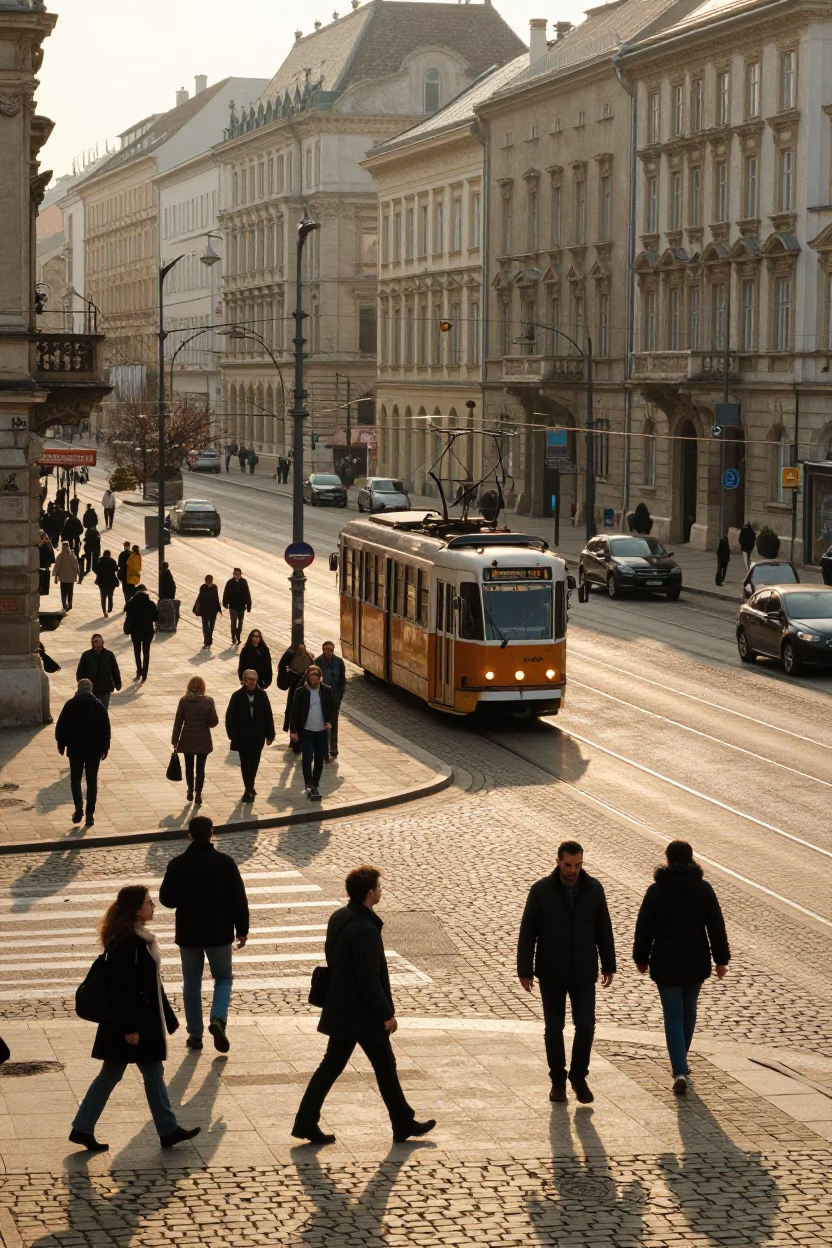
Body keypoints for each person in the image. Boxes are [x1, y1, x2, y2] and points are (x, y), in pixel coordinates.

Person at [292, 865, 435, 1146]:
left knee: (333, 1066)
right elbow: (369, 980)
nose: (381, 891)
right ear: (370, 894)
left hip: (341, 1007)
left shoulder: (340, 917)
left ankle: (307, 1121)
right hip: (362, 1014)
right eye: (379, 887)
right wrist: (386, 1014)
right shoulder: (365, 930)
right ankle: (402, 1122)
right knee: (382, 1065)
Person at [68, 885, 200, 1152]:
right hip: (131, 1024)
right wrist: (131, 1027)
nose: (153, 906)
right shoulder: (129, 942)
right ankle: (167, 1130)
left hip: (135, 1022)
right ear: (136, 909)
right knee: (137, 1074)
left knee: (129, 1074)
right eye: (149, 902)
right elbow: (124, 987)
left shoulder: (134, 938)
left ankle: (85, 1128)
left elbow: (150, 984)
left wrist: (169, 1018)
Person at [516, 840, 616, 1105]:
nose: (573, 870)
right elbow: (528, 933)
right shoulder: (541, 891)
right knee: (554, 1028)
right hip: (551, 971)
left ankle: (579, 1076)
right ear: (558, 861)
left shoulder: (594, 889)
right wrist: (524, 970)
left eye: (578, 865)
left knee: (585, 1026)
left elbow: (603, 929)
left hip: (584, 972)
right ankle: (558, 1081)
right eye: (569, 865)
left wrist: (609, 964)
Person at [633, 840, 730, 1095]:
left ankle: (679, 1069)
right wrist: (721, 960)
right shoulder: (704, 889)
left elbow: (644, 928)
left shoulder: (655, 891)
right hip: (695, 960)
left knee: (673, 1016)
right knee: (689, 1013)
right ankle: (681, 1065)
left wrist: (640, 958)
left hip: (665, 962)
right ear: (692, 860)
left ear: (667, 860)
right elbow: (716, 927)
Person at [159, 815, 249, 1053]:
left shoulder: (178, 864)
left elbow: (166, 899)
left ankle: (195, 1035)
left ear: (189, 835)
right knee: (223, 978)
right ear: (212, 834)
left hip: (189, 933)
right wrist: (242, 930)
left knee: (191, 984)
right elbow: (239, 899)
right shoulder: (226, 862)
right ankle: (218, 1019)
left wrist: (185, 896)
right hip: (219, 932)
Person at [55, 678, 110, 826]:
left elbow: (61, 726)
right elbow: (106, 728)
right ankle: (90, 814)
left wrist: (61, 743)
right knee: (92, 781)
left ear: (78, 689)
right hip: (94, 750)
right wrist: (105, 747)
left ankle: (78, 806)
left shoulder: (70, 705)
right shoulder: (98, 705)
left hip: (75, 749)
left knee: (75, 779)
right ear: (90, 690)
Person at [225, 670, 275, 803]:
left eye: (255, 680)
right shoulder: (237, 696)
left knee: (255, 763)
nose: (253, 683)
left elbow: (268, 715)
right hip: (243, 736)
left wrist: (270, 735)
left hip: (258, 736)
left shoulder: (262, 695)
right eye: (250, 680)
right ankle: (248, 788)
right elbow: (230, 717)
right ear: (244, 681)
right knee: (245, 763)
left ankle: (250, 785)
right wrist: (232, 735)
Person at [171, 675, 219, 804]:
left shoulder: (184, 701)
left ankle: (190, 790)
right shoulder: (209, 701)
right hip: (203, 739)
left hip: (187, 738)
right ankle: (198, 793)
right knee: (200, 768)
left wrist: (174, 740)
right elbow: (214, 722)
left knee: (189, 767)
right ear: (203, 687)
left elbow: (178, 722)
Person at [290, 665, 333, 801]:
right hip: (306, 730)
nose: (314, 682)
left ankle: (315, 783)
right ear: (307, 678)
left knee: (319, 757)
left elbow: (332, 709)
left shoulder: (326, 690)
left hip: (321, 730)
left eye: (316, 680)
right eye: (311, 679)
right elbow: (294, 712)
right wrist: (293, 730)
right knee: (307, 756)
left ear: (320, 679)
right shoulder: (301, 691)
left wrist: (329, 721)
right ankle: (308, 782)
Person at [315, 641, 346, 760]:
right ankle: (324, 749)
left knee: (334, 724)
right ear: (323, 650)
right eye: (327, 649)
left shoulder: (338, 662)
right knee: (324, 725)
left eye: (331, 650)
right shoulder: (318, 662)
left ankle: (333, 749)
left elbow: (342, 679)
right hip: (322, 699)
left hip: (335, 698)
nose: (329, 652)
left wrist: (340, 694)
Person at [76, 634, 121, 710]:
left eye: (99, 643)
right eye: (95, 643)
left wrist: (118, 682)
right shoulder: (86, 656)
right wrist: (82, 686)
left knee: (102, 712)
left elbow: (115, 670)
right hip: (90, 691)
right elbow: (80, 673)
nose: (97, 646)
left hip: (104, 690)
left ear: (102, 643)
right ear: (92, 644)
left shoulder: (109, 655)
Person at [124, 583, 158, 682]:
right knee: (146, 652)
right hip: (148, 631)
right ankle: (145, 674)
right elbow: (155, 617)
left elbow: (127, 613)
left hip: (135, 631)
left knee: (137, 652)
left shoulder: (131, 603)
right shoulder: (151, 604)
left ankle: (139, 671)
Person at [277, 641, 312, 735]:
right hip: (294, 687)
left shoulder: (309, 658)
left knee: (302, 711)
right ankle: (292, 734)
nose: (301, 651)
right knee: (292, 710)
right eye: (299, 649)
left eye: (303, 648)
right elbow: (283, 665)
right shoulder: (291, 655)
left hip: (304, 687)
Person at [222, 568, 252, 645]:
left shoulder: (244, 582)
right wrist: (225, 603)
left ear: (240, 574)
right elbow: (226, 593)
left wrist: (248, 605)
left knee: (240, 623)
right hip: (232, 606)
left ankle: (238, 636)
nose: (236, 575)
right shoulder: (230, 583)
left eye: (237, 574)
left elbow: (247, 594)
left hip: (241, 606)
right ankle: (233, 638)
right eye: (234, 573)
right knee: (233, 622)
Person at [193, 574, 222, 648]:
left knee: (208, 626)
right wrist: (219, 608)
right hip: (208, 611)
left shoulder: (209, 587)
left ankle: (208, 641)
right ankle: (208, 640)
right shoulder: (207, 587)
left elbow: (215, 598)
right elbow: (200, 597)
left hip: (209, 611)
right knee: (208, 626)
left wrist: (219, 609)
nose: (208, 583)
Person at [53, 540, 80, 611]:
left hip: (62, 578)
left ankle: (65, 605)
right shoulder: (72, 555)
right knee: (70, 591)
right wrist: (78, 575)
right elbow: (76, 566)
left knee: (63, 592)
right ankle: (69, 604)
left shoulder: (60, 556)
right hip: (70, 578)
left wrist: (55, 577)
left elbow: (57, 568)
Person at [94, 548, 119, 618]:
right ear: (109, 555)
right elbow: (116, 569)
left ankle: (104, 611)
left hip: (102, 581)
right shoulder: (112, 561)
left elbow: (95, 569)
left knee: (103, 597)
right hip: (111, 581)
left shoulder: (100, 561)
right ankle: (110, 609)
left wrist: (99, 574)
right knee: (110, 596)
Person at [38, 532, 55, 596]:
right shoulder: (48, 544)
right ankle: (44, 589)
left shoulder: (43, 546)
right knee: (44, 575)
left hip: (42, 564)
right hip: (45, 564)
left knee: (42, 576)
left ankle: (42, 588)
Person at [117, 540, 131, 607]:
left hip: (124, 575)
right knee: (131, 589)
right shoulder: (132, 554)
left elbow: (119, 565)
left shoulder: (122, 554)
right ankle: (130, 602)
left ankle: (127, 602)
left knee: (125, 590)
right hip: (131, 575)